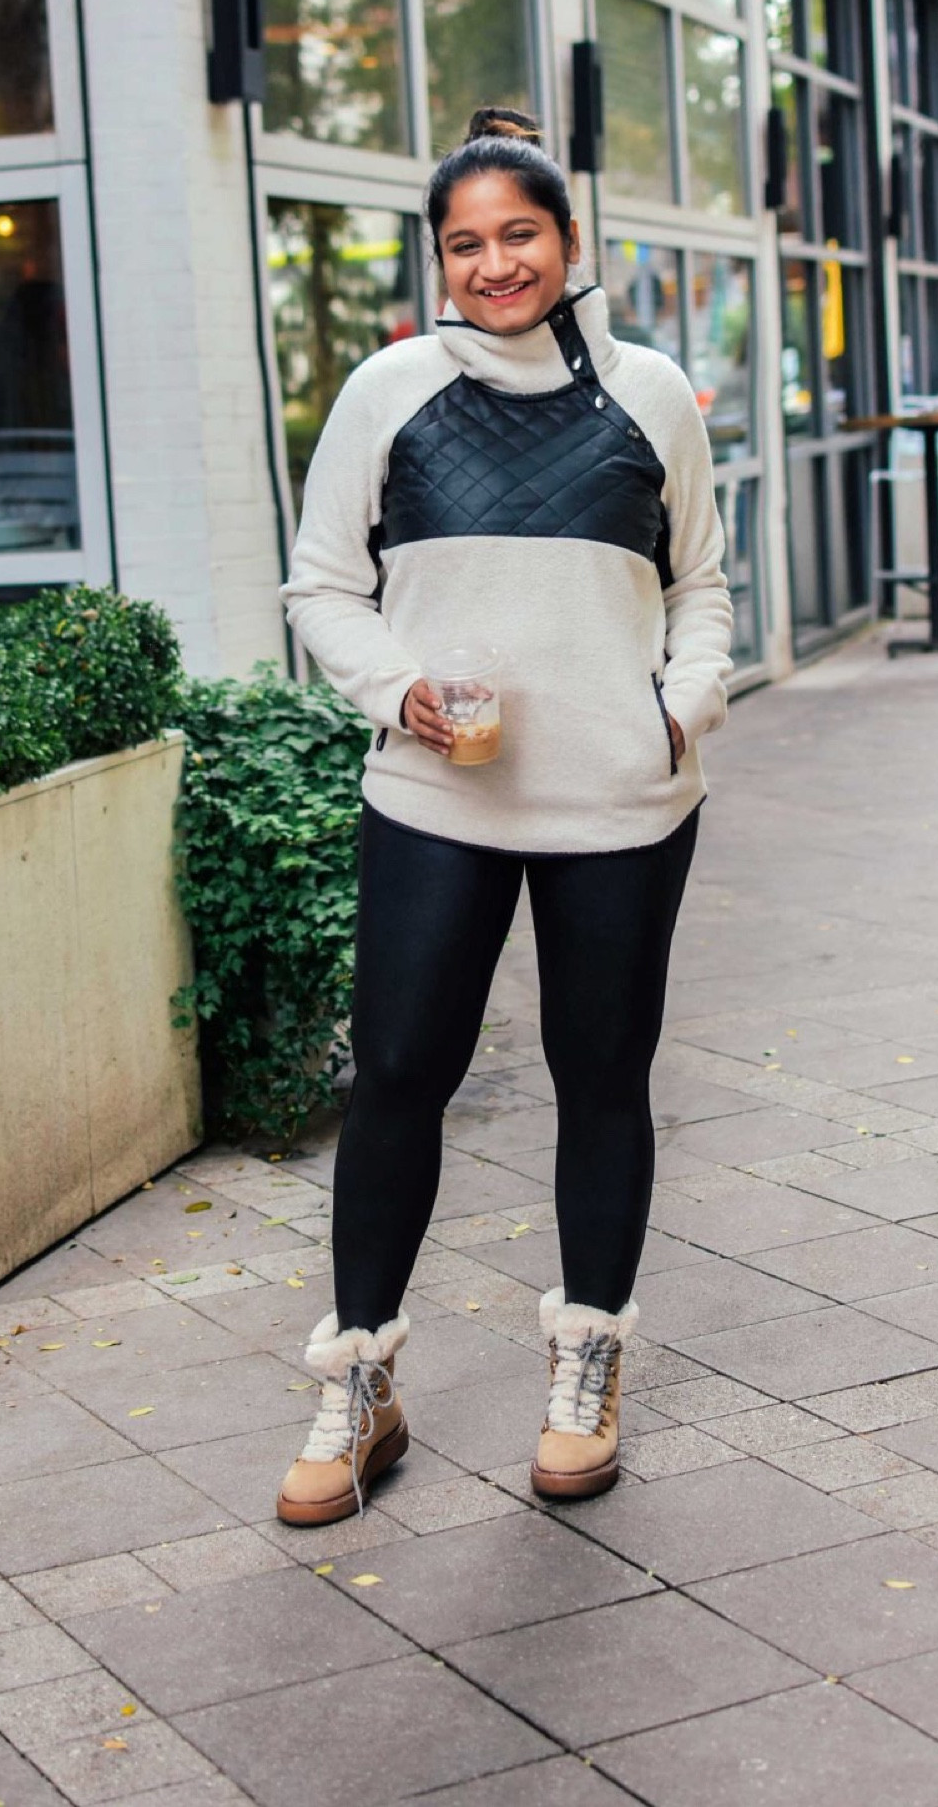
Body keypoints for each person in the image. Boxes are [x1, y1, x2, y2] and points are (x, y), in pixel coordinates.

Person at [276, 108, 733, 1527]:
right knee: (400, 1070)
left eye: (517, 234)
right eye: (464, 243)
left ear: (568, 241)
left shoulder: (651, 394)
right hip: (436, 794)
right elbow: (318, 587)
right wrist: (400, 692)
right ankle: (360, 1383)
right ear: (438, 260)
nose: (493, 263)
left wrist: (682, 706)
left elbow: (703, 584)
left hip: (620, 797)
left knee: (603, 1076)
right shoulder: (388, 389)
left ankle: (586, 1366)